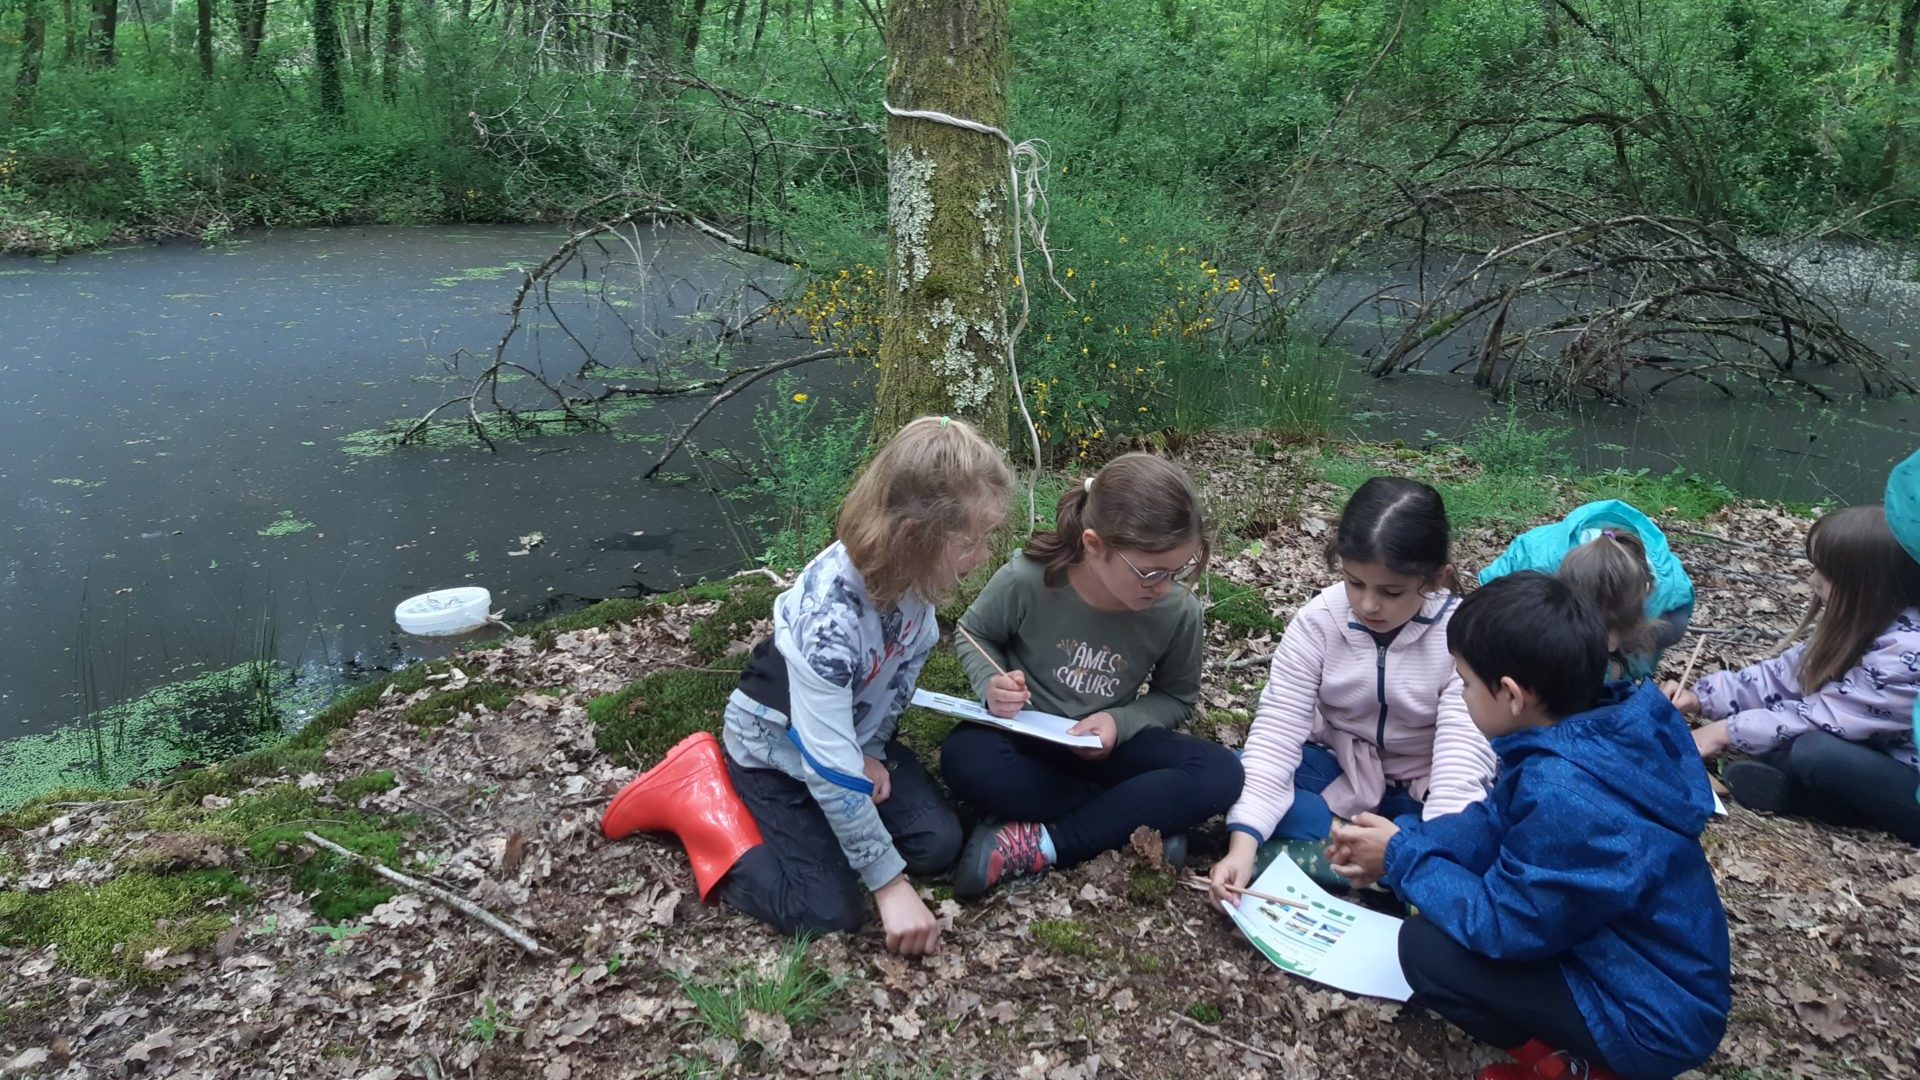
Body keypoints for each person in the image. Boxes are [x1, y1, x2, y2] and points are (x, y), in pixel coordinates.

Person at [600, 416, 1012, 954]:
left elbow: (893, 688)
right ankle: (700, 801)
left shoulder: (918, 581)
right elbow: (828, 769)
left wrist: (870, 752)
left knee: (936, 845)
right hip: (774, 751)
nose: (981, 557)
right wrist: (889, 885)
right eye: (970, 543)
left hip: (843, 739)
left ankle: (829, 834)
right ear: (914, 535)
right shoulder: (831, 620)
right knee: (828, 910)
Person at [1332, 572, 1729, 1080]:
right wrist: (1406, 842)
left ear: (1513, 696)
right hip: (1632, 970)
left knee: (1427, 951)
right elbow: (1495, 824)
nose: (1461, 694)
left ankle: (1586, 1068)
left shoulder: (1567, 793)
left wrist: (1401, 858)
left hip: (1647, 1019)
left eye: (1467, 683)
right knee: (1429, 877)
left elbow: (1503, 926)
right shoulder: (1590, 734)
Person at [941, 454, 1243, 899]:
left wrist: (1119, 723)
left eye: (1178, 571)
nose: (1162, 585)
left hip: (1106, 750)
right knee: (964, 758)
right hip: (1024, 736)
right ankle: (1139, 822)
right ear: (1094, 544)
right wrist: (993, 682)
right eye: (1149, 572)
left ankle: (1043, 842)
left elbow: (1176, 698)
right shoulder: (1030, 578)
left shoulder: (1178, 610)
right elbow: (974, 634)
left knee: (1220, 772)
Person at [1209, 477, 1495, 900]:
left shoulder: (1462, 637)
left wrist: (1427, 847)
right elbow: (1276, 734)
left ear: (1437, 578)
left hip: (1422, 788)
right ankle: (1376, 862)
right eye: (1354, 583)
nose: (1368, 605)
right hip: (1340, 770)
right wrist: (1242, 846)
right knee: (1233, 775)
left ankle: (1371, 856)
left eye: (1391, 591)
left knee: (1479, 826)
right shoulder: (1319, 623)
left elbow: (1461, 762)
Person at [1670, 502, 1920, 844]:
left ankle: (1808, 799)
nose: (1812, 579)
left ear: (1870, 585)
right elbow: (1783, 676)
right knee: (1785, 743)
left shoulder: (1907, 652)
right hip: (1882, 753)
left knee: (1815, 752)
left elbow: (1827, 717)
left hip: (1913, 786)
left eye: (1826, 572)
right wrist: (1701, 697)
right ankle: (1810, 791)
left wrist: (1722, 732)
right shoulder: (1863, 621)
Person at [1479, 500, 1694, 681]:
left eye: (1616, 630)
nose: (1610, 645)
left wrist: (1620, 671)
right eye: (1601, 633)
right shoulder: (1533, 567)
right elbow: (1486, 609)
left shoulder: (1671, 598)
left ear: (1646, 591)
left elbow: (1642, 653)